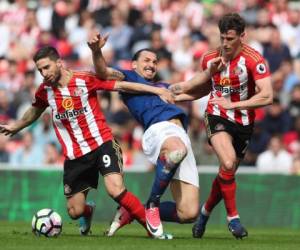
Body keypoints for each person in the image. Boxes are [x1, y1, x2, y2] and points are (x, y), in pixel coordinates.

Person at [0, 45, 174, 238]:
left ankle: (153, 231)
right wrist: (17, 126)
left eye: (47, 67)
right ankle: (87, 212)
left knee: (115, 189)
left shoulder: (84, 79)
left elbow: (123, 86)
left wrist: (156, 91)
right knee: (74, 211)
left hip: (102, 143)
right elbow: (35, 110)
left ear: (59, 63)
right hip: (76, 156)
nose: (44, 73)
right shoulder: (45, 91)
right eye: (40, 70)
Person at [87, 33, 223, 237]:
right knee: (177, 150)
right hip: (158, 130)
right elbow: (103, 72)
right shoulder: (129, 77)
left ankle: (133, 210)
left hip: (179, 136)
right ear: (134, 64)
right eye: (146, 60)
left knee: (188, 212)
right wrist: (96, 50)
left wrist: (210, 72)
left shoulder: (164, 87)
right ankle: (152, 203)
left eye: (155, 62)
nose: (151, 64)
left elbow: (190, 89)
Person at [170, 13, 273, 239]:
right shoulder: (210, 58)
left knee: (226, 172)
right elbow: (206, 88)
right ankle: (233, 219)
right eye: (222, 38)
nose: (225, 43)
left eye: (230, 39)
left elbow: (267, 96)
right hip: (216, 114)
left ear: (242, 37)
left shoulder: (254, 60)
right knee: (227, 162)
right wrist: (182, 96)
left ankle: (205, 213)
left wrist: (235, 104)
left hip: (244, 121)